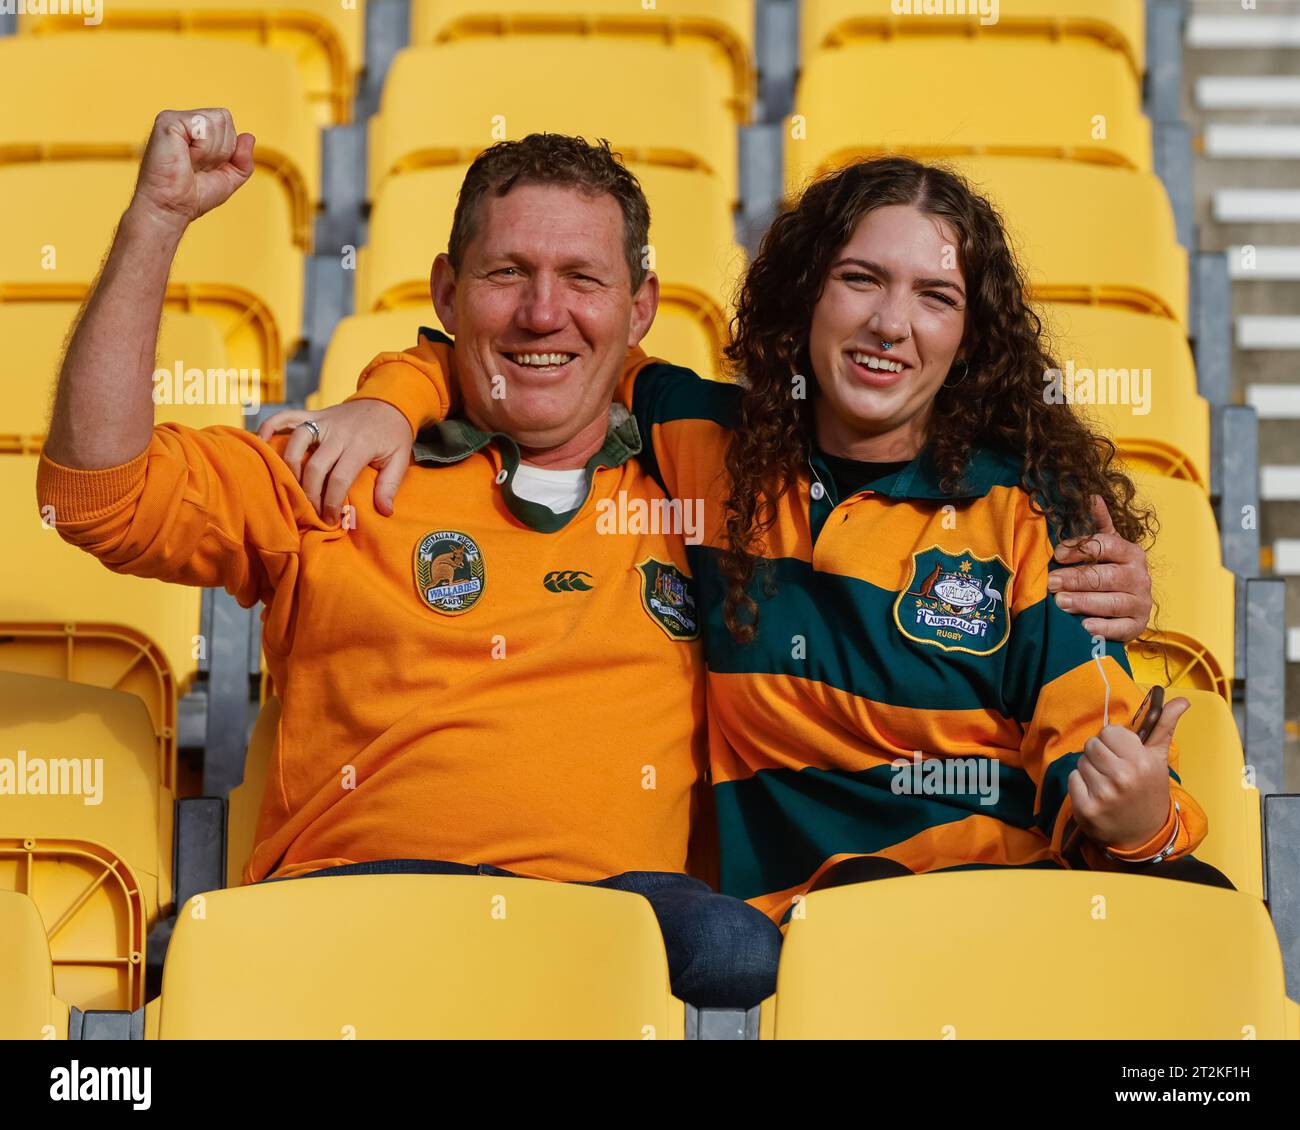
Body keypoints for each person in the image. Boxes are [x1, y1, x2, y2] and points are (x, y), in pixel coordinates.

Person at [267, 152, 1200, 929]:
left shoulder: (1038, 512)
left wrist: (1142, 816)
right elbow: (537, 342)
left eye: (935, 297)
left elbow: (1100, 764)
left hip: (997, 910)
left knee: (1199, 944)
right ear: (803, 298)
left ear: (971, 336)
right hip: (802, 939)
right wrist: (391, 399)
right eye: (860, 280)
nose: (889, 324)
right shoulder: (704, 445)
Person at [36, 110, 784, 1008]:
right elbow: (98, 496)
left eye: (582, 278)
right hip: (357, 907)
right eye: (507, 273)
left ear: (641, 310)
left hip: (612, 932)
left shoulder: (701, 484)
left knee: (739, 946)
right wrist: (155, 220)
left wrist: (413, 379)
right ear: (445, 291)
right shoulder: (334, 464)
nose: (544, 311)